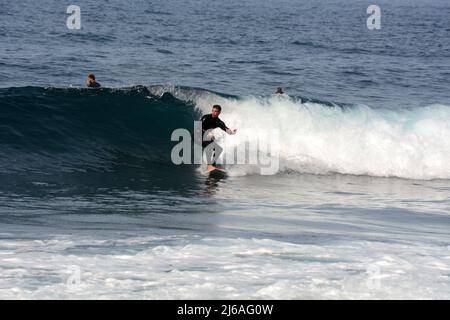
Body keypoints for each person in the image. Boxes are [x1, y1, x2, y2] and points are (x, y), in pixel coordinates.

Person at [201, 105, 237, 169]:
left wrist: (232, 132)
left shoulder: (219, 122)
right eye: (213, 111)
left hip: (207, 137)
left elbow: (226, 129)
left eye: (216, 111)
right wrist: (208, 132)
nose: (214, 113)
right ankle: (210, 166)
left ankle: (212, 165)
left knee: (218, 149)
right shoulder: (205, 117)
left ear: (219, 112)